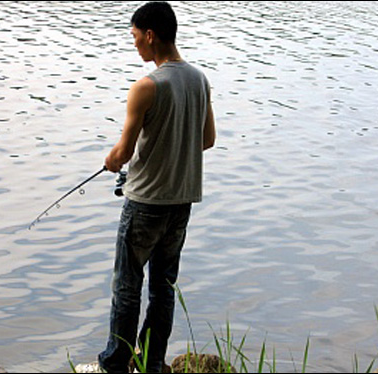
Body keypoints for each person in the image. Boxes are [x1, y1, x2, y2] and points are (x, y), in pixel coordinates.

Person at [98, 2, 216, 373]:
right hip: (181, 203)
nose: (134, 46)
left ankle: (116, 364)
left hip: (145, 204)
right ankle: (152, 362)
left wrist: (111, 160)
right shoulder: (199, 79)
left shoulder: (145, 87)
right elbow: (208, 139)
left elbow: (124, 151)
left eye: (135, 38)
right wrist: (174, 146)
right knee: (163, 289)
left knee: (127, 288)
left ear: (150, 35)